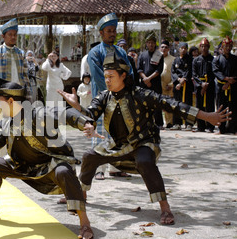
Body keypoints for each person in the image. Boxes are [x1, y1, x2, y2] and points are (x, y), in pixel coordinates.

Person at [58, 51, 231, 225]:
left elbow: (172, 105)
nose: (107, 80)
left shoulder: (140, 94)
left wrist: (207, 116)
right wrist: (78, 107)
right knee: (90, 156)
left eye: (111, 76)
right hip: (117, 145)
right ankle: (81, 195)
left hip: (143, 141)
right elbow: (90, 114)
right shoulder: (105, 96)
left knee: (145, 161)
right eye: (106, 76)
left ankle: (164, 207)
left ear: (123, 75)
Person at [0, 78, 94, 239]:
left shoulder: (38, 113)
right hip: (22, 165)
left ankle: (85, 223)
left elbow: (65, 113)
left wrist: (85, 123)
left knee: (64, 171)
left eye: (0, 102)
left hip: (50, 164)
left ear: (11, 101)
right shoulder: (5, 123)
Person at [87, 13, 133, 179]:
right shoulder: (94, 52)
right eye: (109, 31)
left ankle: (116, 166)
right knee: (100, 132)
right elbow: (99, 77)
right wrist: (113, 93)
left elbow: (130, 72)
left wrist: (126, 92)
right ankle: (99, 169)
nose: (112, 33)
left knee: (119, 132)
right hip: (102, 99)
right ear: (101, 33)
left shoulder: (121, 51)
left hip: (121, 99)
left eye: (114, 30)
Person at [0, 18, 32, 101]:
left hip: (19, 94)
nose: (13, 37)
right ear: (3, 36)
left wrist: (29, 96)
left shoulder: (21, 53)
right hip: (3, 95)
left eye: (15, 34)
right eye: (10, 34)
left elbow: (25, 76)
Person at [137, 33, 164, 128]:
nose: (151, 45)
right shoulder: (142, 55)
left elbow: (159, 70)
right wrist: (145, 78)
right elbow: (139, 69)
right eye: (149, 43)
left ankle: (159, 123)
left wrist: (149, 79)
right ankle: (145, 122)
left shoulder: (159, 54)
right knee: (144, 104)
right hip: (144, 84)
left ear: (155, 43)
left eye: (152, 43)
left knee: (157, 103)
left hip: (155, 83)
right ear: (146, 44)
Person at [212, 36, 237, 134]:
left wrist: (230, 81)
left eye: (230, 46)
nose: (228, 47)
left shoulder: (235, 59)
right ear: (222, 47)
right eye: (226, 45)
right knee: (221, 107)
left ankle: (233, 129)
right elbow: (216, 71)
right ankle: (221, 129)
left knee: (234, 108)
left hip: (233, 86)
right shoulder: (217, 59)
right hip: (221, 87)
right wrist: (225, 79)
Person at [192, 38, 216, 133]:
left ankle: (210, 126)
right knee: (199, 106)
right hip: (199, 86)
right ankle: (200, 126)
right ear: (200, 47)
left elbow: (214, 73)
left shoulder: (212, 60)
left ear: (208, 47)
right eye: (202, 46)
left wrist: (207, 84)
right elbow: (194, 74)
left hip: (209, 86)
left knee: (210, 106)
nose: (204, 48)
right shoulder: (196, 60)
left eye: (206, 46)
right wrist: (201, 84)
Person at [171, 42, 194, 130]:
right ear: (179, 48)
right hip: (177, 85)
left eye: (185, 48)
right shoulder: (175, 60)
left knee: (188, 104)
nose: (183, 50)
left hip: (186, 85)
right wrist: (178, 80)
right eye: (182, 48)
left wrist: (183, 80)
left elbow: (189, 71)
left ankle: (189, 124)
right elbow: (173, 72)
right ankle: (177, 123)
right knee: (176, 104)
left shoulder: (190, 59)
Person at [160, 40, 175, 128]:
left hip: (169, 86)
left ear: (168, 49)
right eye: (162, 47)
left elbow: (175, 73)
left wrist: (171, 84)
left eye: (166, 47)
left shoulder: (173, 59)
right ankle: (159, 123)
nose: (164, 49)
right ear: (159, 48)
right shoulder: (156, 58)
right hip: (159, 86)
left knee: (168, 104)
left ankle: (169, 123)